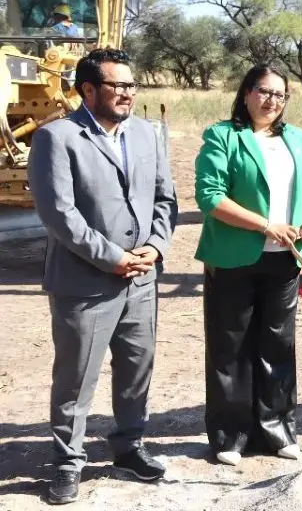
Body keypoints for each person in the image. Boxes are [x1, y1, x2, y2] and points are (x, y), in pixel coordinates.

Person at [28, 48, 178, 505]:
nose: (128, 94)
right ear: (88, 89)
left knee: (136, 369)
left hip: (141, 279)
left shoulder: (149, 134)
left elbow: (164, 199)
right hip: (85, 283)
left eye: (133, 86)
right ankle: (67, 462)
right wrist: (112, 256)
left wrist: (154, 246)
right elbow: (60, 214)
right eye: (118, 86)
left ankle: (129, 446)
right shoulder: (57, 137)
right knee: (76, 378)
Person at [193, 64, 302, 465]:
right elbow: (210, 197)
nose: (272, 101)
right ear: (246, 93)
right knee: (230, 347)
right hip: (233, 257)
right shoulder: (223, 136)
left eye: (280, 95)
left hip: (285, 261)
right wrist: (267, 225)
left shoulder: (297, 139)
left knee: (278, 345)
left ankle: (277, 430)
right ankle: (229, 437)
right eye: (264, 92)